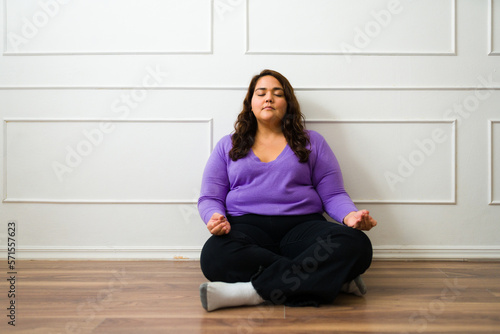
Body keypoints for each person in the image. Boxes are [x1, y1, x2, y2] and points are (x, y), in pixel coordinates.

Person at [197, 69, 377, 312]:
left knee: (357, 244)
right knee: (214, 256)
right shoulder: (227, 145)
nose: (268, 98)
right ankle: (330, 280)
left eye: (277, 93)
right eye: (261, 93)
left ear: (287, 103)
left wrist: (350, 216)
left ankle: (250, 292)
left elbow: (333, 194)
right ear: (251, 103)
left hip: (302, 227)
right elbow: (210, 197)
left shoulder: (312, 141)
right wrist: (213, 218)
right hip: (246, 229)